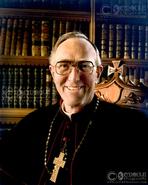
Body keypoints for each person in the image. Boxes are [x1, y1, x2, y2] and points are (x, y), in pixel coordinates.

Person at [1, 31, 148, 185]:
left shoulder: (134, 126)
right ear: (52, 72)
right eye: (64, 65)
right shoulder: (32, 123)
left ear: (98, 73)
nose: (74, 77)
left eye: (84, 66)